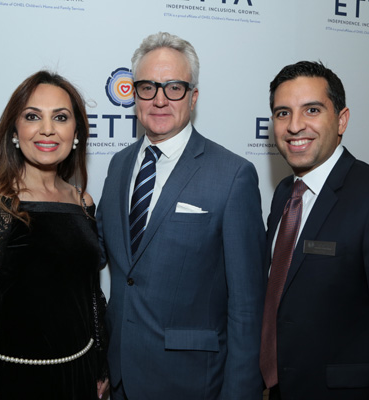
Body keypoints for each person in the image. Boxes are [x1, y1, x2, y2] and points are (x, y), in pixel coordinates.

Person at [96, 32, 266, 400]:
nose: (159, 100)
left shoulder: (233, 176)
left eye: (174, 87)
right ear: (134, 94)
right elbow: (102, 256)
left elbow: (247, 307)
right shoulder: (119, 164)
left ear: (193, 96)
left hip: (191, 382)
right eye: (147, 87)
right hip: (120, 376)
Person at [260, 60, 369, 399]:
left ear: (341, 120)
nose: (295, 125)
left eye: (312, 110)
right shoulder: (284, 193)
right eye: (283, 113)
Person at [0, 71, 109, 400]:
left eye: (61, 117)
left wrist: (100, 365)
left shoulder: (83, 202)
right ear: (15, 130)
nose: (47, 129)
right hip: (18, 382)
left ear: (76, 132)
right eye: (33, 116)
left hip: (81, 375)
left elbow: (90, 295)